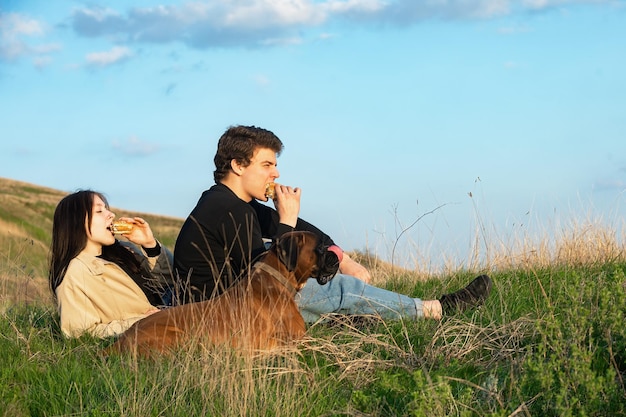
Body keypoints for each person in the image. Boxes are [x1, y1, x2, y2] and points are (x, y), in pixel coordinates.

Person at [174, 125, 492, 323]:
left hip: (234, 306)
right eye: (267, 164)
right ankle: (436, 310)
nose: (276, 173)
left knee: (334, 278)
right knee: (340, 288)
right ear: (238, 165)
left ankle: (353, 321)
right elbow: (267, 277)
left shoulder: (241, 205)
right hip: (219, 316)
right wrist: (285, 221)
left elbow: (308, 233)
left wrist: (343, 257)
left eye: (276, 164)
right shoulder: (225, 209)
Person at [48, 190, 174, 338]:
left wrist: (150, 245)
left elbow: (169, 280)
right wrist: (143, 322)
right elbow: (78, 333)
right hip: (160, 328)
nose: (111, 214)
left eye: (107, 209)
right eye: (99, 211)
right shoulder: (75, 273)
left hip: (173, 305)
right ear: (76, 221)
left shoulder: (124, 249)